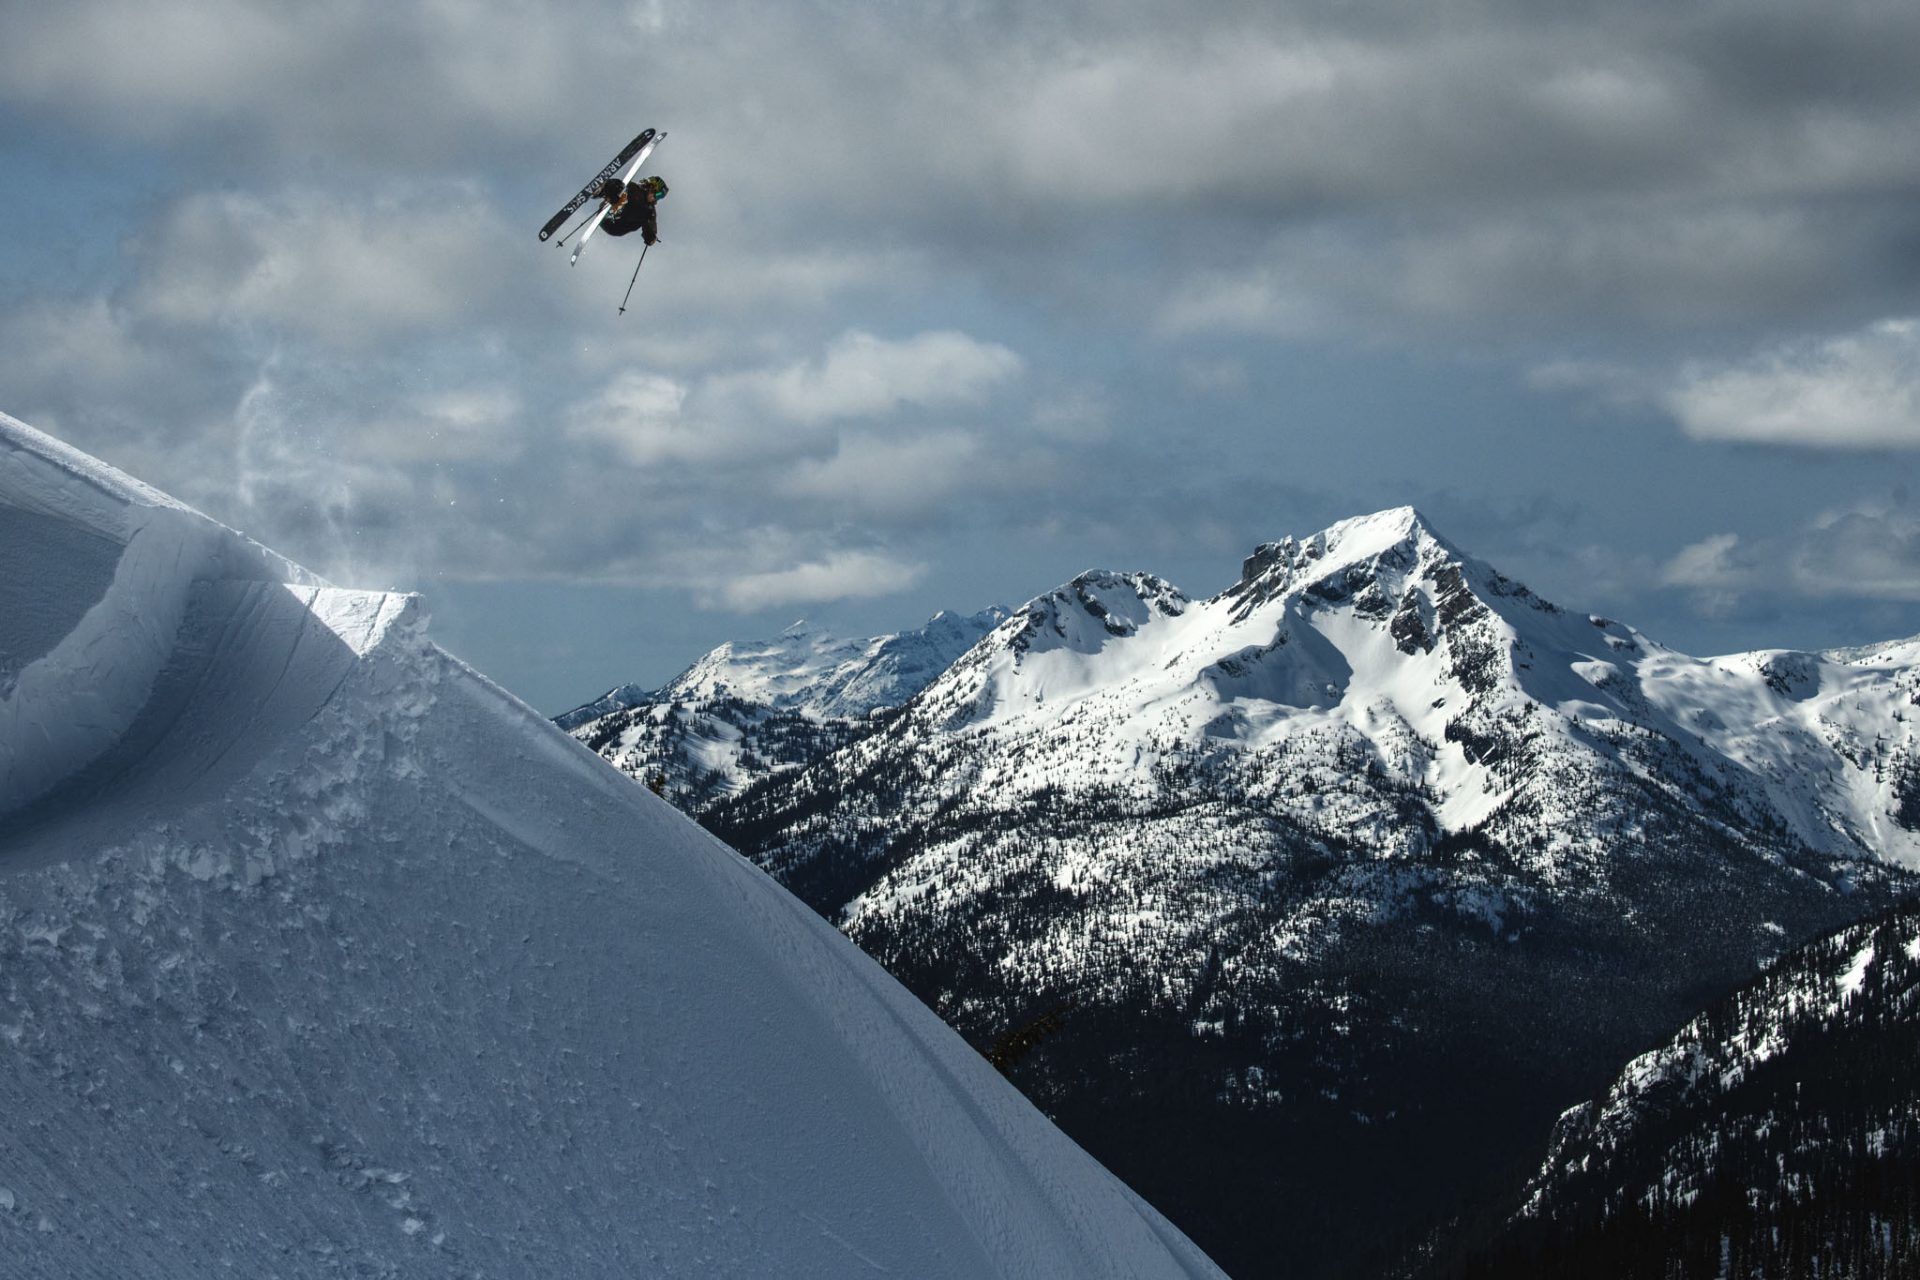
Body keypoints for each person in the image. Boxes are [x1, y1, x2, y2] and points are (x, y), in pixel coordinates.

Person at [596, 175, 667, 245]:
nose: (655, 197)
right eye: (657, 194)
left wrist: (651, 235)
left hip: (615, 223)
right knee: (623, 186)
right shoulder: (634, 187)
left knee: (646, 214)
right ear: (651, 187)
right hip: (617, 202)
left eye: (659, 197)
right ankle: (602, 189)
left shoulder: (649, 209)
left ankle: (612, 208)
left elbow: (651, 222)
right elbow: (623, 185)